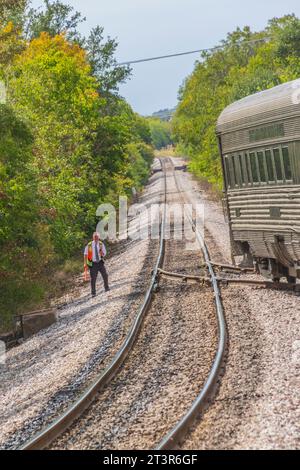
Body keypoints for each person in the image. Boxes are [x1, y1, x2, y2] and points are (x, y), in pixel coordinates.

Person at [84, 232, 109, 297]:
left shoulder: (101, 244)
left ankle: (106, 288)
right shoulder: (89, 245)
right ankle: (93, 293)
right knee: (93, 279)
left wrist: (102, 253)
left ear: (99, 237)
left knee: (105, 275)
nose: (96, 238)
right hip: (93, 263)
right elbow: (85, 254)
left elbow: (104, 253)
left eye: (97, 237)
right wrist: (85, 263)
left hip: (100, 262)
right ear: (93, 237)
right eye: (95, 237)